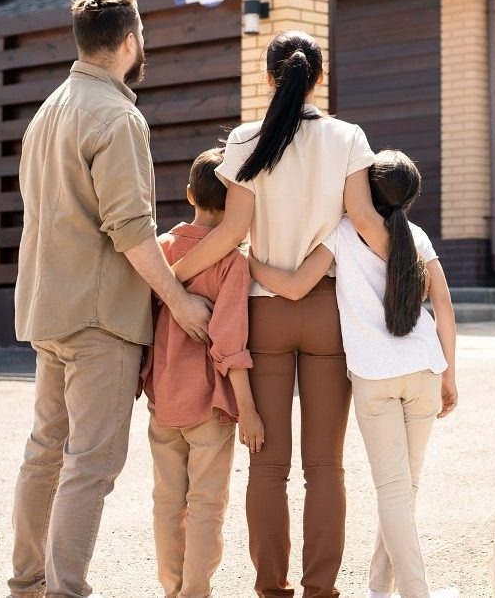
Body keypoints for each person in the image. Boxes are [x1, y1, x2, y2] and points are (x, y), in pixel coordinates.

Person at [170, 29, 407, 598]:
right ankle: (321, 590)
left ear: (269, 76)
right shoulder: (348, 138)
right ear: (318, 78)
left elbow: (232, 232)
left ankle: (271, 591)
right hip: (329, 311)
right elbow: (368, 224)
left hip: (263, 313)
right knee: (326, 466)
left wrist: (172, 277)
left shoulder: (246, 140)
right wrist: (410, 275)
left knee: (269, 466)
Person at [8, 0, 213, 598]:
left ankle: (27, 583)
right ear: (130, 41)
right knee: (91, 462)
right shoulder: (119, 115)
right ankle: (65, 590)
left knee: (46, 450)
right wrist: (180, 300)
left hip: (47, 307)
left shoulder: (48, 111)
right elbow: (129, 227)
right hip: (99, 319)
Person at [248, 150, 458, 598]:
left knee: (395, 490)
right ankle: (379, 588)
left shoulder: (342, 233)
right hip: (424, 368)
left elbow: (295, 287)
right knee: (405, 489)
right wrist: (449, 373)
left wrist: (250, 262)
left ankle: (414, 592)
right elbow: (443, 305)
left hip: (376, 378)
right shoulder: (416, 236)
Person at [142, 147, 264, 598]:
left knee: (166, 501)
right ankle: (195, 591)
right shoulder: (233, 262)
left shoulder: (162, 250)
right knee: (207, 505)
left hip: (163, 398)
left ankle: (172, 589)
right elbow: (229, 342)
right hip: (209, 405)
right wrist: (247, 410)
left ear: (189, 193)